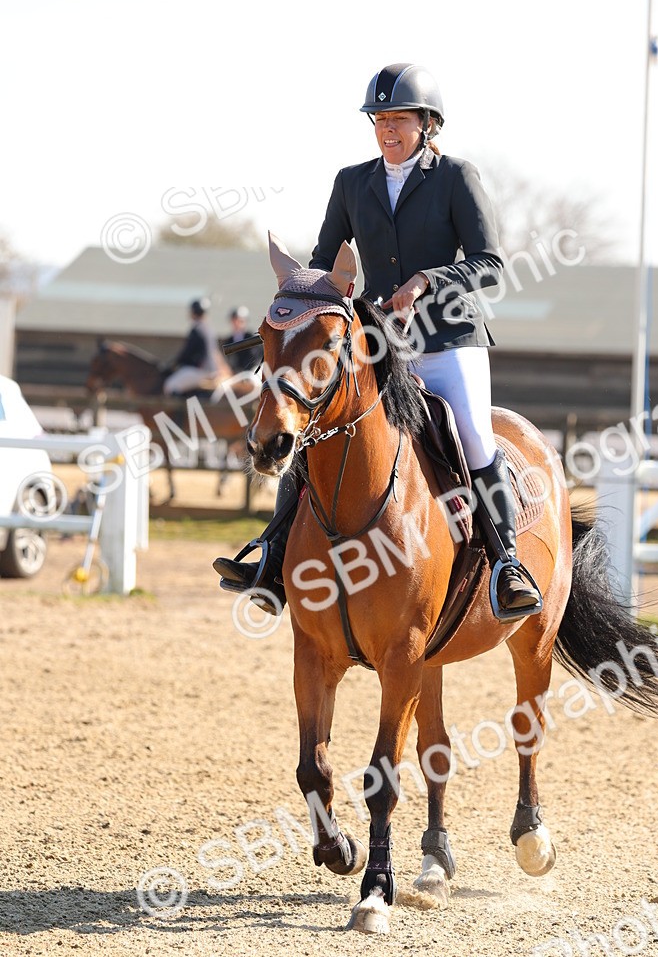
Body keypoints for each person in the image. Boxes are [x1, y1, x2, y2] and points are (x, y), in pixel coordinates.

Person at [214, 63, 542, 617]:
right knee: (311, 428)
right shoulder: (351, 181)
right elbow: (323, 262)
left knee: (473, 437)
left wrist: (427, 281)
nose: (387, 129)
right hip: (376, 344)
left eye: (399, 119)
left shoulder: (456, 177)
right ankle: (271, 559)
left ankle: (508, 563)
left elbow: (490, 264)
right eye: (380, 119)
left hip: (447, 340)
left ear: (427, 124)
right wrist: (302, 302)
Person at [164, 298, 222, 396]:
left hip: (201, 370)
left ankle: (182, 411)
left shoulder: (196, 330)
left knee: (170, 385)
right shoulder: (209, 329)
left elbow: (187, 353)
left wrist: (173, 364)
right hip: (211, 369)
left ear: (193, 313)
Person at [224, 305, 261, 374]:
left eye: (240, 321)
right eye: (234, 320)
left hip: (251, 370)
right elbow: (229, 359)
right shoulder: (229, 340)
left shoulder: (251, 337)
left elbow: (253, 358)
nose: (236, 323)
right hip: (235, 372)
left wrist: (242, 371)